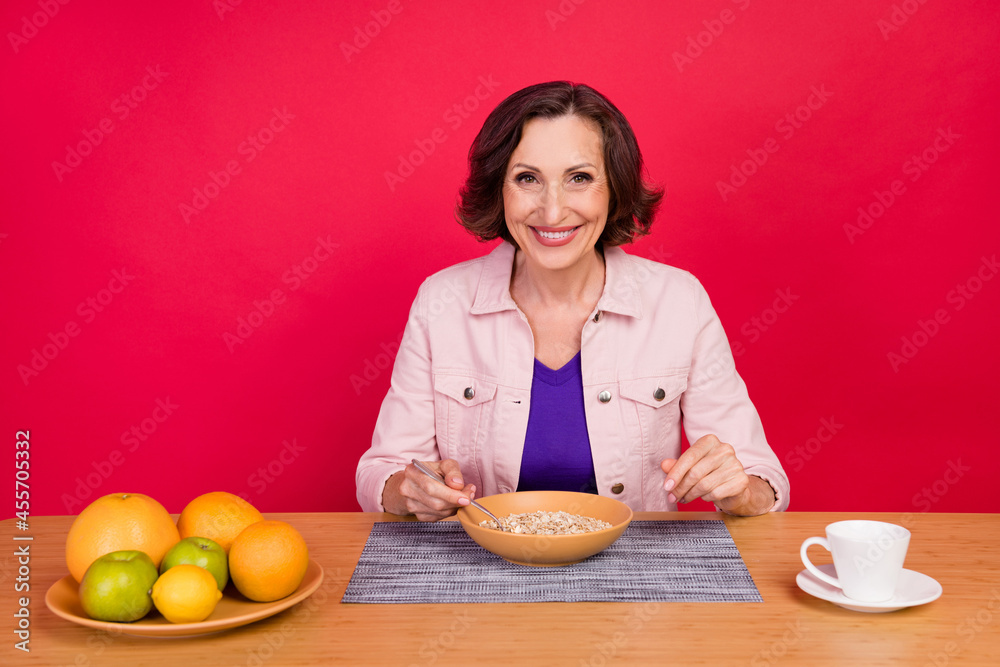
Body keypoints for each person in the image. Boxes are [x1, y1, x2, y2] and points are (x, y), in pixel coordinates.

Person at [356, 81, 789, 520]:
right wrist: (409, 490)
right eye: (528, 179)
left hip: (632, 570)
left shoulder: (680, 301)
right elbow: (382, 471)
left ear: (613, 188)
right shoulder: (441, 302)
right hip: (478, 566)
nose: (552, 212)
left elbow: (763, 479)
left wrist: (738, 490)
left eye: (579, 178)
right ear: (498, 189)